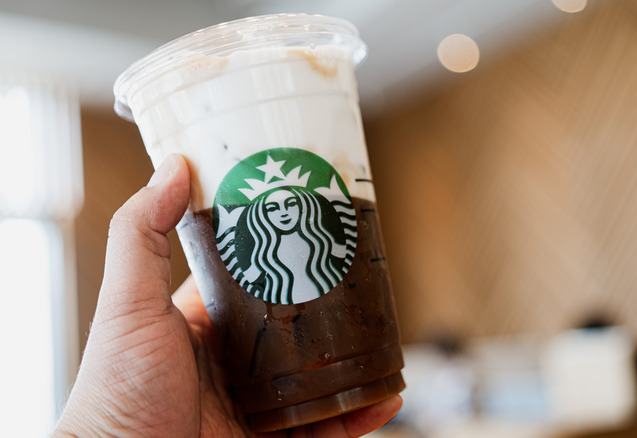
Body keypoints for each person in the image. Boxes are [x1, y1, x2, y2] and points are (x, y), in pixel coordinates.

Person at [51, 154, 402, 437]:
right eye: (272, 208)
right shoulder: (264, 263)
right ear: (260, 218)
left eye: (291, 205)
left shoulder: (322, 251)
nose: (283, 214)